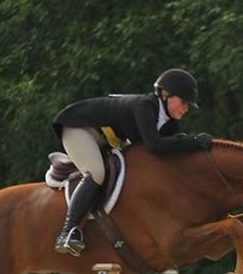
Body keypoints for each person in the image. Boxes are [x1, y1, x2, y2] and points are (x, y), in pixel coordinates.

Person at [51, 68, 213, 256]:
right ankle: (68, 232)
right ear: (165, 95)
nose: (186, 108)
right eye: (183, 102)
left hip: (106, 139)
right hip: (79, 128)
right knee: (97, 173)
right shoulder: (145, 106)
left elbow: (173, 150)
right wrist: (194, 141)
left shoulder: (168, 122)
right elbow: (155, 145)